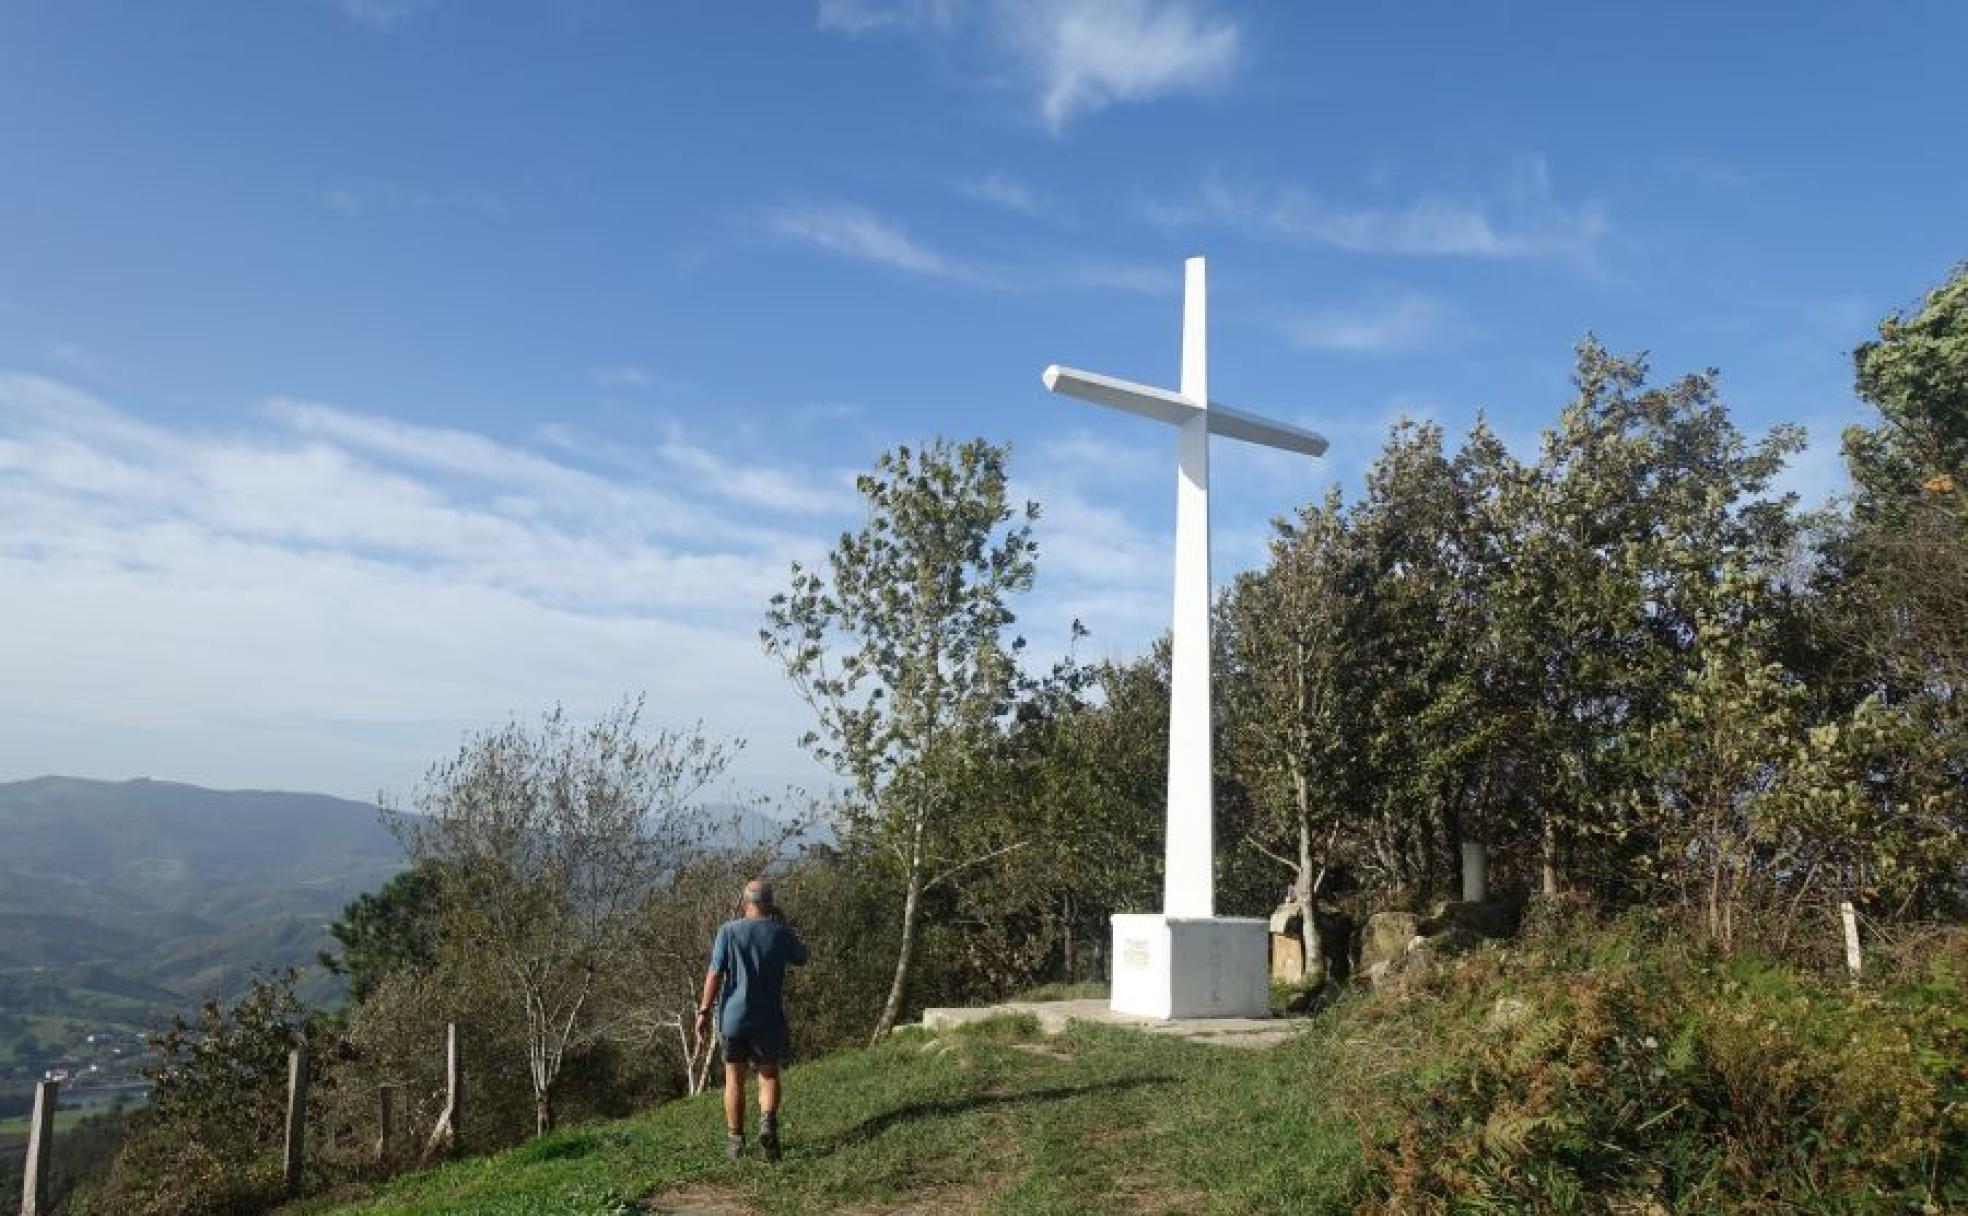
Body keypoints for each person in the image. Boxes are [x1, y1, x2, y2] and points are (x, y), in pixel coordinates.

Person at [695, 877, 809, 1161]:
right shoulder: (780, 932)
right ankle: (767, 1123)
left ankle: (735, 1141)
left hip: (733, 1019)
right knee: (768, 1075)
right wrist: (783, 924)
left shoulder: (728, 931)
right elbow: (802, 957)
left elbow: (714, 974)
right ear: (770, 905)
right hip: (768, 1019)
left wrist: (704, 1011)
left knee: (734, 1078)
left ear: (745, 903)